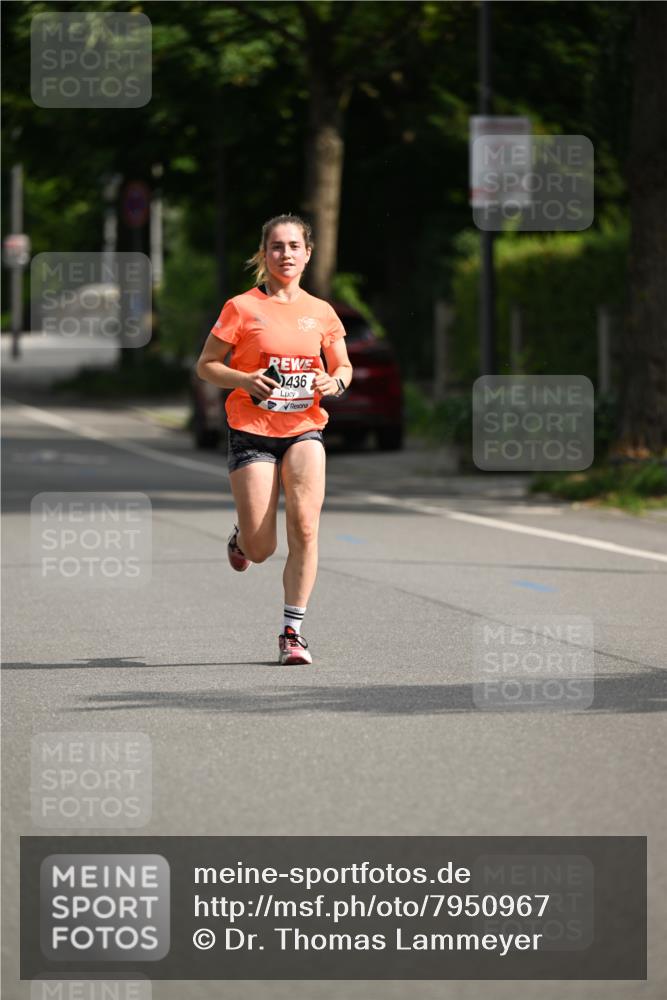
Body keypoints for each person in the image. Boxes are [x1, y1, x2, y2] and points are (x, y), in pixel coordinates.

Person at [196, 214, 353, 665]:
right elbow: (206, 365)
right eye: (277, 246)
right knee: (262, 548)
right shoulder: (241, 307)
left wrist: (335, 384)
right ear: (264, 254)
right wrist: (244, 380)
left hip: (305, 428)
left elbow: (341, 366)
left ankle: (292, 633)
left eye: (294, 246)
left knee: (305, 526)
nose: (286, 254)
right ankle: (242, 540)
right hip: (252, 432)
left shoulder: (321, 312)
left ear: (308, 253)